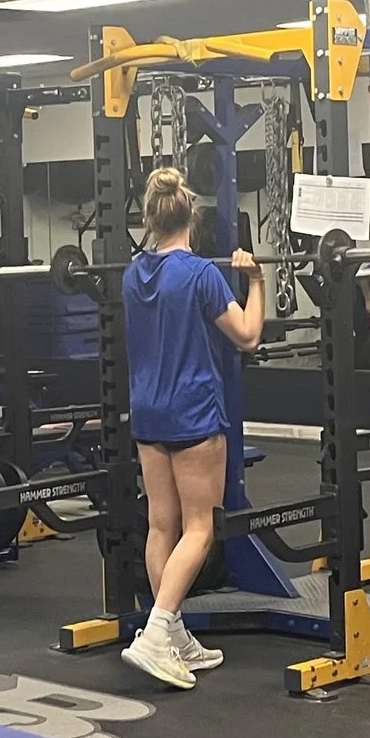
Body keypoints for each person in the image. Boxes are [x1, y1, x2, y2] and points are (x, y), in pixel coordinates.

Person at [116, 167, 267, 690]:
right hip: (193, 412)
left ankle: (174, 636)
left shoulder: (132, 275)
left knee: (162, 526)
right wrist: (256, 280)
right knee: (200, 527)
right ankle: (157, 633)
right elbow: (247, 336)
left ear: (150, 219)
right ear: (192, 218)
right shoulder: (202, 274)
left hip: (148, 411)